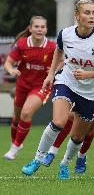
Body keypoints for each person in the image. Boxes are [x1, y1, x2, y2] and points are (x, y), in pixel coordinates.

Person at [21, 0, 94, 180]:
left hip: (90, 92)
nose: (92, 16)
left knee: (78, 137)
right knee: (58, 122)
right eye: (87, 12)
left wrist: (88, 75)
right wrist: (51, 74)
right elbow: (58, 52)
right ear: (77, 16)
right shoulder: (65, 34)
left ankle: (64, 164)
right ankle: (37, 160)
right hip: (67, 82)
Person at [41, 13, 94, 174]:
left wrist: (93, 80)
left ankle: (81, 156)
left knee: (87, 131)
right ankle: (52, 152)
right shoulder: (84, 43)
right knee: (67, 118)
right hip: (80, 91)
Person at [3, 16, 56, 160]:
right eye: (37, 26)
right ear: (31, 28)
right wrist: (11, 70)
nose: (40, 29)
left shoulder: (52, 46)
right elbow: (8, 62)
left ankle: (14, 148)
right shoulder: (22, 43)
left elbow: (63, 61)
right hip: (22, 84)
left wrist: (53, 70)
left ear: (46, 29)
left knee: (26, 113)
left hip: (41, 86)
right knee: (16, 118)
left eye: (42, 27)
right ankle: (16, 144)